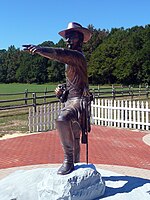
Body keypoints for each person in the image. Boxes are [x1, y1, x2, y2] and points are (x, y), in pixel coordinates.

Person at [23, 22, 92, 175]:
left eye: (71, 37)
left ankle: (68, 160)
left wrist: (40, 50)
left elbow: (59, 54)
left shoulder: (77, 56)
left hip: (79, 101)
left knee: (62, 119)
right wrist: (63, 92)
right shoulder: (70, 61)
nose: (67, 41)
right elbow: (74, 83)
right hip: (71, 99)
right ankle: (76, 163)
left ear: (80, 40)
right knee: (74, 136)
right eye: (66, 38)